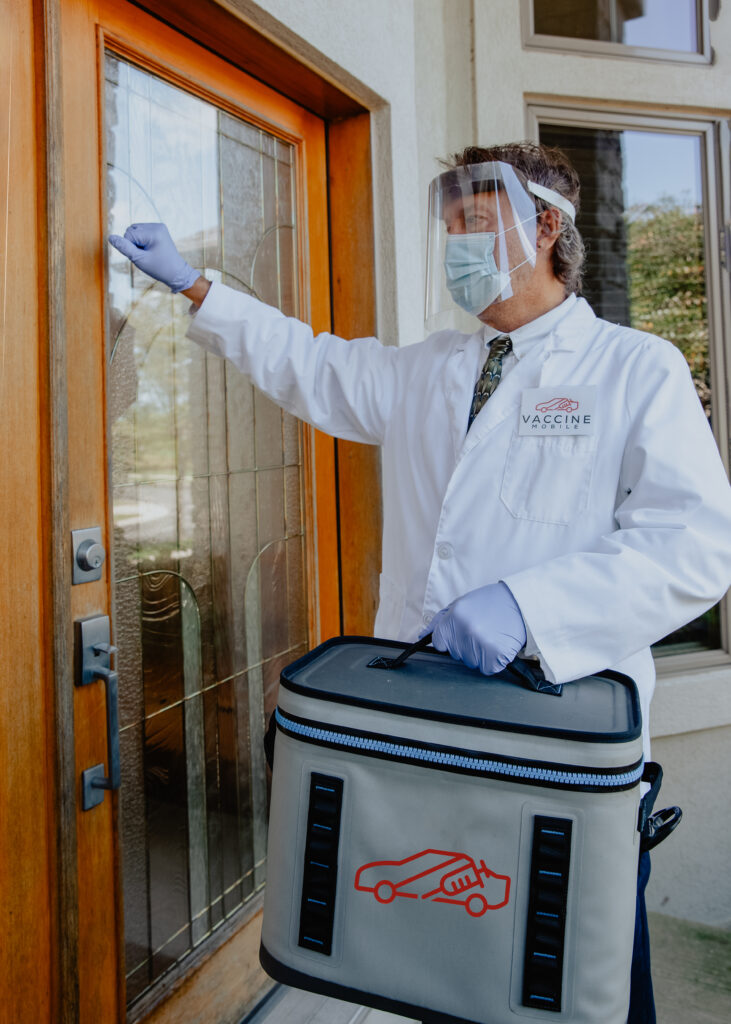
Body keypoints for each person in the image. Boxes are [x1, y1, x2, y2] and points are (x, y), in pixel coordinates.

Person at [109, 141, 731, 1024]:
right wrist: (194, 286)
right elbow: (311, 365)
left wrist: (529, 606)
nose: (456, 248)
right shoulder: (432, 366)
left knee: (572, 967)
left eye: (474, 225)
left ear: (545, 227)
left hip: (553, 725)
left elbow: (694, 545)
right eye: (448, 229)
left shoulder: (635, 368)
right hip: (427, 717)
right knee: (446, 944)